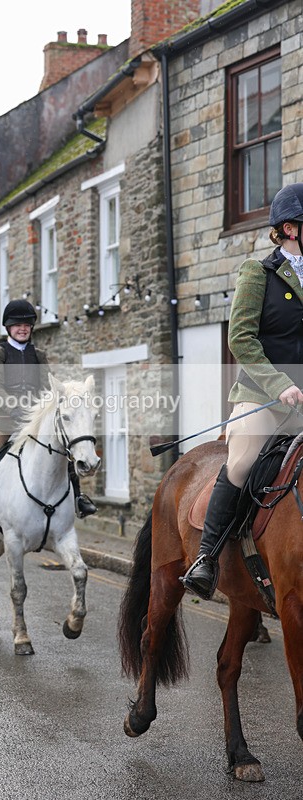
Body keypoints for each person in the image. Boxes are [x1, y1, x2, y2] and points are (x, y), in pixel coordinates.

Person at [181, 182, 303, 600]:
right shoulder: (259, 273)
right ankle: (207, 557)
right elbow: (242, 340)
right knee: (243, 460)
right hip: (265, 395)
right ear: (290, 229)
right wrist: (281, 383)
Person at [0, 298, 97, 526]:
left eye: (27, 325)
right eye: (18, 325)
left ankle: (78, 498)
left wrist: (41, 410)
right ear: (8, 327)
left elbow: (47, 389)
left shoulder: (38, 356)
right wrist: (16, 409)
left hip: (35, 420)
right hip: (6, 419)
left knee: (63, 449)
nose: (22, 329)